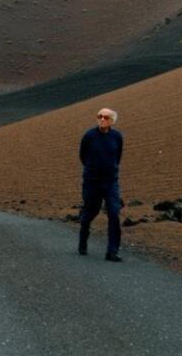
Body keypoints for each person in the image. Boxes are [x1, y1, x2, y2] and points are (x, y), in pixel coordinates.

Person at [78, 107, 124, 262]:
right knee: (91, 211)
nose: (102, 119)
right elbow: (82, 155)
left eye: (105, 117)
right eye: (99, 116)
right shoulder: (89, 136)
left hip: (111, 182)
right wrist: (92, 169)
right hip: (92, 181)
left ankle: (112, 252)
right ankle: (83, 239)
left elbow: (117, 156)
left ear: (112, 120)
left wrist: (110, 171)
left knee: (114, 213)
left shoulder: (117, 137)